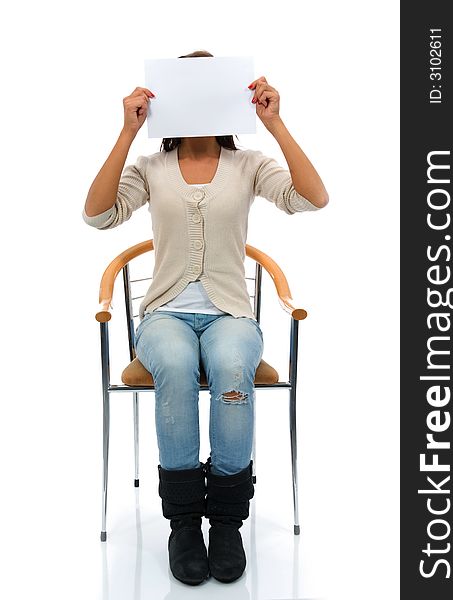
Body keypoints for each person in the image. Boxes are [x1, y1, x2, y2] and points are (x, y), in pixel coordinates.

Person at [82, 49, 329, 586]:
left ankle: (226, 522)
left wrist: (274, 122)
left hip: (229, 314)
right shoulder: (150, 168)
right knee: (172, 361)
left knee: (233, 362)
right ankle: (185, 523)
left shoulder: (250, 165)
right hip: (165, 314)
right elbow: (97, 215)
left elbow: (313, 200)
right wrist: (127, 133)